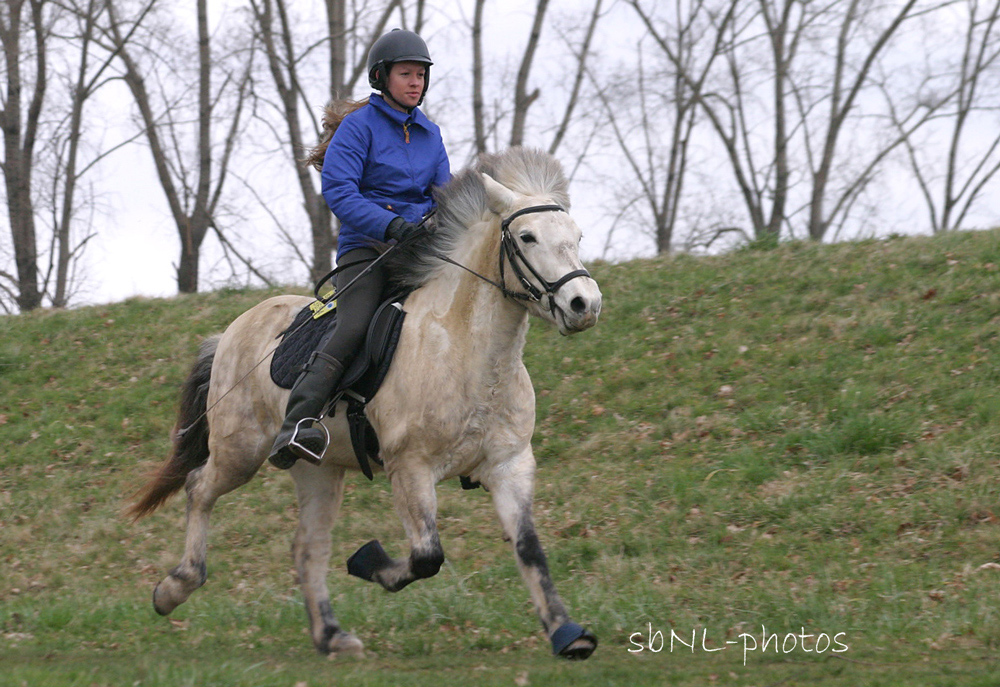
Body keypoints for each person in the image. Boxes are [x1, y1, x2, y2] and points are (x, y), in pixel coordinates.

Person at [268, 29, 451, 469]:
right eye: (406, 74)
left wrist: (440, 226)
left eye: (421, 75)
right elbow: (340, 193)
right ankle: (299, 422)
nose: (416, 83)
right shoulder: (358, 127)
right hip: (367, 249)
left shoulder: (431, 134)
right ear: (381, 77)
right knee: (353, 325)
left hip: (419, 251)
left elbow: (445, 195)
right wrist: (391, 225)